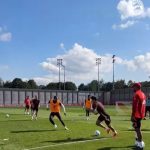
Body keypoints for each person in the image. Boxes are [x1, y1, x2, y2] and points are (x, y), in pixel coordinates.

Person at [131, 83, 146, 149]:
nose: (133, 88)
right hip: (140, 114)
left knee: (137, 129)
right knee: (136, 128)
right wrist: (143, 114)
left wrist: (133, 115)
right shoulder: (143, 94)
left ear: (136, 87)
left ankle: (140, 145)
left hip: (136, 115)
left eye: (133, 87)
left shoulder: (136, 94)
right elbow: (144, 105)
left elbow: (134, 106)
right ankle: (137, 142)